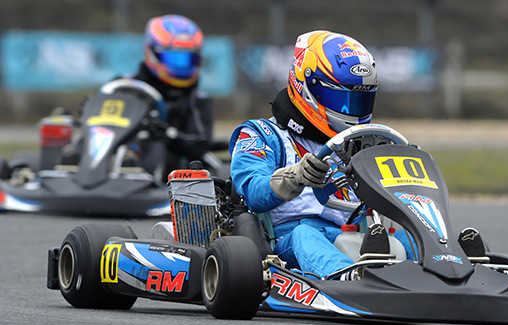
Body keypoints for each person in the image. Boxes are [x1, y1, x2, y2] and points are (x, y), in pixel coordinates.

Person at [229, 30, 390, 279]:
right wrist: (293, 177)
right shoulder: (261, 134)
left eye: (360, 101)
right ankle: (348, 278)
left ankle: (449, 272)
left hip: (356, 235)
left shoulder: (362, 143)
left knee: (403, 239)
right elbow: (252, 191)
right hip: (288, 238)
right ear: (307, 86)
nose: (351, 111)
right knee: (307, 237)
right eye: (342, 98)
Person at [132, 14, 214, 180]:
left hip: (170, 174)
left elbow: (199, 145)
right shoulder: (125, 87)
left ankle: (148, 182)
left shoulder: (196, 99)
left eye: (187, 59)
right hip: (122, 153)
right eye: (174, 58)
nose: (181, 66)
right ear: (153, 53)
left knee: (156, 145)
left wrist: (166, 134)